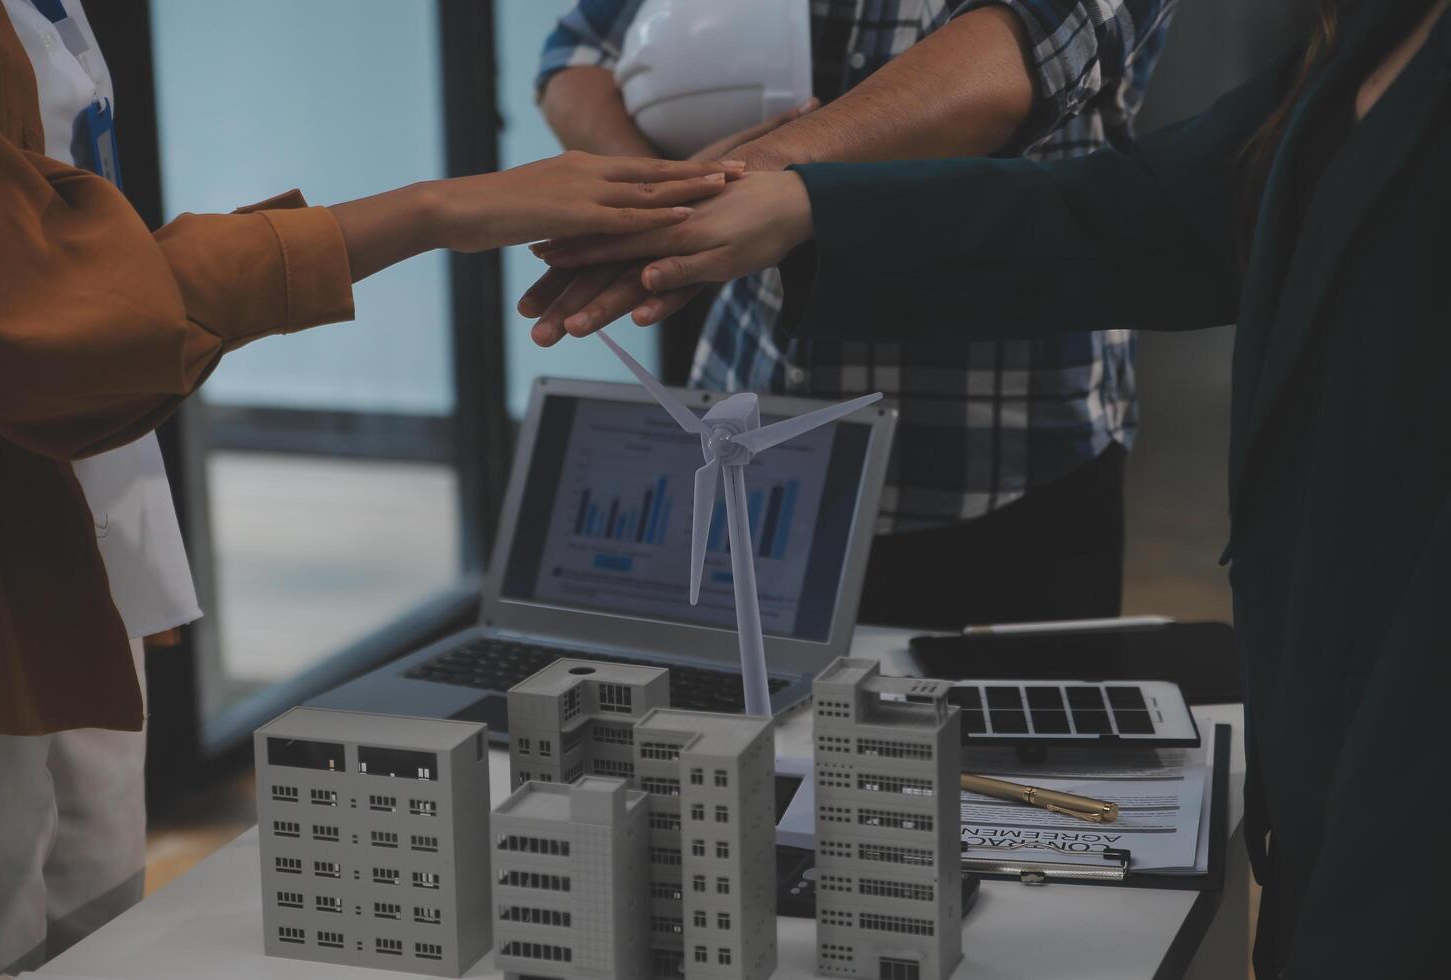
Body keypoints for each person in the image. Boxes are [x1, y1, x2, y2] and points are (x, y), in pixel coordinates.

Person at [528, 0, 1451, 973]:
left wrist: (762, 179)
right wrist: (797, 203)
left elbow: (1023, 61)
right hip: (1328, 760)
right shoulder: (1377, 37)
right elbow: (1137, 213)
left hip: (1382, 778)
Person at [0, 2, 736, 974]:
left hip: (73, 516)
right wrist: (437, 209)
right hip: (17, 520)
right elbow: (52, 315)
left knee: (97, 909)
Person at [530, 0, 1181, 630]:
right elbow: (578, 53)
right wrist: (662, 205)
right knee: (739, 728)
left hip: (999, 464)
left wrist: (715, 192)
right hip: (752, 444)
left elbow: (1007, 70)